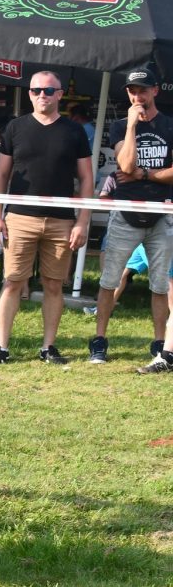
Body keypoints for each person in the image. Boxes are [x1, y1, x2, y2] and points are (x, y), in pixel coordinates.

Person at [0, 71, 92, 365]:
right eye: (35, 90)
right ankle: (1, 347)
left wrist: (82, 220)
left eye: (47, 90)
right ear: (29, 94)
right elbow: (1, 176)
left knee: (54, 284)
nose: (41, 95)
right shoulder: (15, 127)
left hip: (61, 221)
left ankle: (48, 347)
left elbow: (86, 179)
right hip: (19, 218)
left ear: (60, 94)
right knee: (12, 283)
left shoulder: (74, 131)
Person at [88, 66, 173, 364]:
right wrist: (131, 127)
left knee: (160, 284)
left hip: (162, 214)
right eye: (132, 91)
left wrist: (145, 174)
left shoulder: (170, 126)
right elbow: (124, 166)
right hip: (125, 213)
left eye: (143, 90)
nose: (137, 95)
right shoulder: (120, 126)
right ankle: (99, 340)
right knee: (109, 280)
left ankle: (159, 342)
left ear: (155, 91)